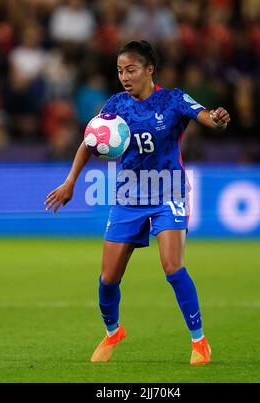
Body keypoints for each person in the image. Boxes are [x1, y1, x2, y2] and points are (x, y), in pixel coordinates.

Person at [44, 40, 230, 365]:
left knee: (173, 267)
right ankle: (113, 331)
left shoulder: (172, 99)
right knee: (108, 278)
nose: (125, 77)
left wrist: (218, 118)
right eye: (119, 71)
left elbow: (206, 117)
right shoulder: (116, 104)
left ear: (149, 69)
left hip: (168, 192)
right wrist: (70, 182)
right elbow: (89, 143)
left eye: (130, 69)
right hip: (128, 196)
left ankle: (200, 343)